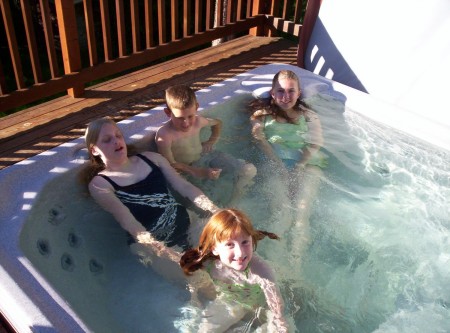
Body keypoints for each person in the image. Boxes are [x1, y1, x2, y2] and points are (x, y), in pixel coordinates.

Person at [80, 118, 219, 257]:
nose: (116, 141)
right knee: (199, 279)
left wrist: (214, 210)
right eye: (107, 140)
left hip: (187, 223)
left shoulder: (152, 159)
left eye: (118, 135)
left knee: (226, 265)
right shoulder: (100, 184)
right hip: (152, 244)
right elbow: (127, 221)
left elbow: (184, 186)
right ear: (94, 150)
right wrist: (160, 250)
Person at [250, 70, 327, 250]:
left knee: (301, 212)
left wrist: (299, 166)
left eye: (291, 91)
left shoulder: (308, 115)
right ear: (272, 93)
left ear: (299, 93)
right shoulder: (260, 116)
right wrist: (280, 167)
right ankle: (278, 261)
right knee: (282, 211)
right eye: (280, 91)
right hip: (274, 162)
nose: (286, 96)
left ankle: (295, 264)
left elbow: (316, 142)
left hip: (307, 163)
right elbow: (260, 141)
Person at [178, 209, 289, 332]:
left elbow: (277, 308)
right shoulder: (208, 262)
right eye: (230, 244)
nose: (240, 253)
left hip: (260, 305)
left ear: (252, 241)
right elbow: (178, 259)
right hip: (230, 301)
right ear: (214, 248)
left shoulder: (261, 272)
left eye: (245, 242)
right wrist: (194, 295)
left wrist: (279, 324)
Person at [155, 85, 257, 206]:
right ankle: (226, 204)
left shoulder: (198, 122)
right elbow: (171, 166)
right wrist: (198, 172)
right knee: (207, 203)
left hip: (207, 156)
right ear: (168, 112)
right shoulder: (165, 135)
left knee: (249, 170)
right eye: (180, 118)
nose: (186, 123)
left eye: (190, 116)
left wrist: (211, 141)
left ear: (196, 108)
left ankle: (237, 196)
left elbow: (218, 123)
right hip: (187, 169)